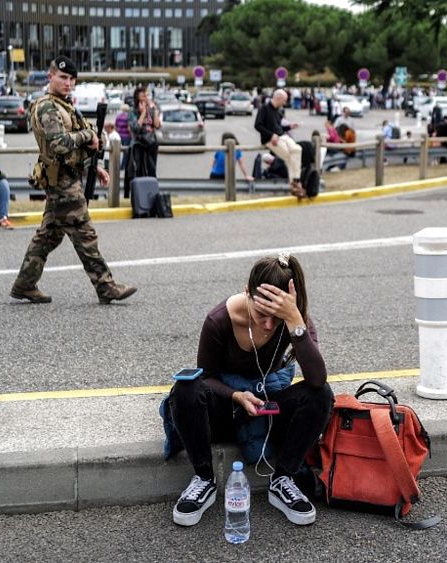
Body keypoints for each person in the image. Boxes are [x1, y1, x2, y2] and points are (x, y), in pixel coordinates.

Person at [165, 253, 332, 527]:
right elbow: (206, 377)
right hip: (227, 410)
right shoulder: (220, 319)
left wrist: (294, 320)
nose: (269, 325)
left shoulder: (294, 318)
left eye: (277, 317)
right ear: (247, 292)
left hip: (268, 412)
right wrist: (236, 396)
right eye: (261, 314)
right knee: (186, 388)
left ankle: (283, 478)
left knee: (321, 394)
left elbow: (317, 379)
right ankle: (204, 479)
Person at [12, 56, 136, 305]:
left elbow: (79, 145)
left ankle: (25, 284)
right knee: (84, 233)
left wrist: (94, 166)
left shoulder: (65, 105)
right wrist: (87, 135)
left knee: (49, 235)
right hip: (62, 183)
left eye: (71, 79)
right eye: (63, 77)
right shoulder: (47, 107)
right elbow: (59, 144)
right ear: (50, 77)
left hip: (67, 177)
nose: (68, 83)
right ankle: (106, 286)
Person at [255, 89, 305, 198]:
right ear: (279, 98)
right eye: (284, 100)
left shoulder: (278, 111)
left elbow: (279, 127)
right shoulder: (264, 108)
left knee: (297, 150)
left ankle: (295, 180)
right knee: (288, 156)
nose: (285, 103)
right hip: (271, 139)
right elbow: (258, 125)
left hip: (283, 136)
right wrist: (271, 135)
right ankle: (295, 184)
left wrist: (290, 126)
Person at [123, 86, 161, 199]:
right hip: (138, 145)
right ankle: (139, 196)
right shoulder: (133, 111)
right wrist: (143, 112)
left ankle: (152, 196)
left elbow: (157, 125)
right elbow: (135, 127)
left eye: (146, 95)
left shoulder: (151, 109)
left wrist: (154, 111)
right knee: (138, 170)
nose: (145, 97)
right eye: (143, 95)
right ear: (137, 98)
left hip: (151, 144)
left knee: (152, 169)